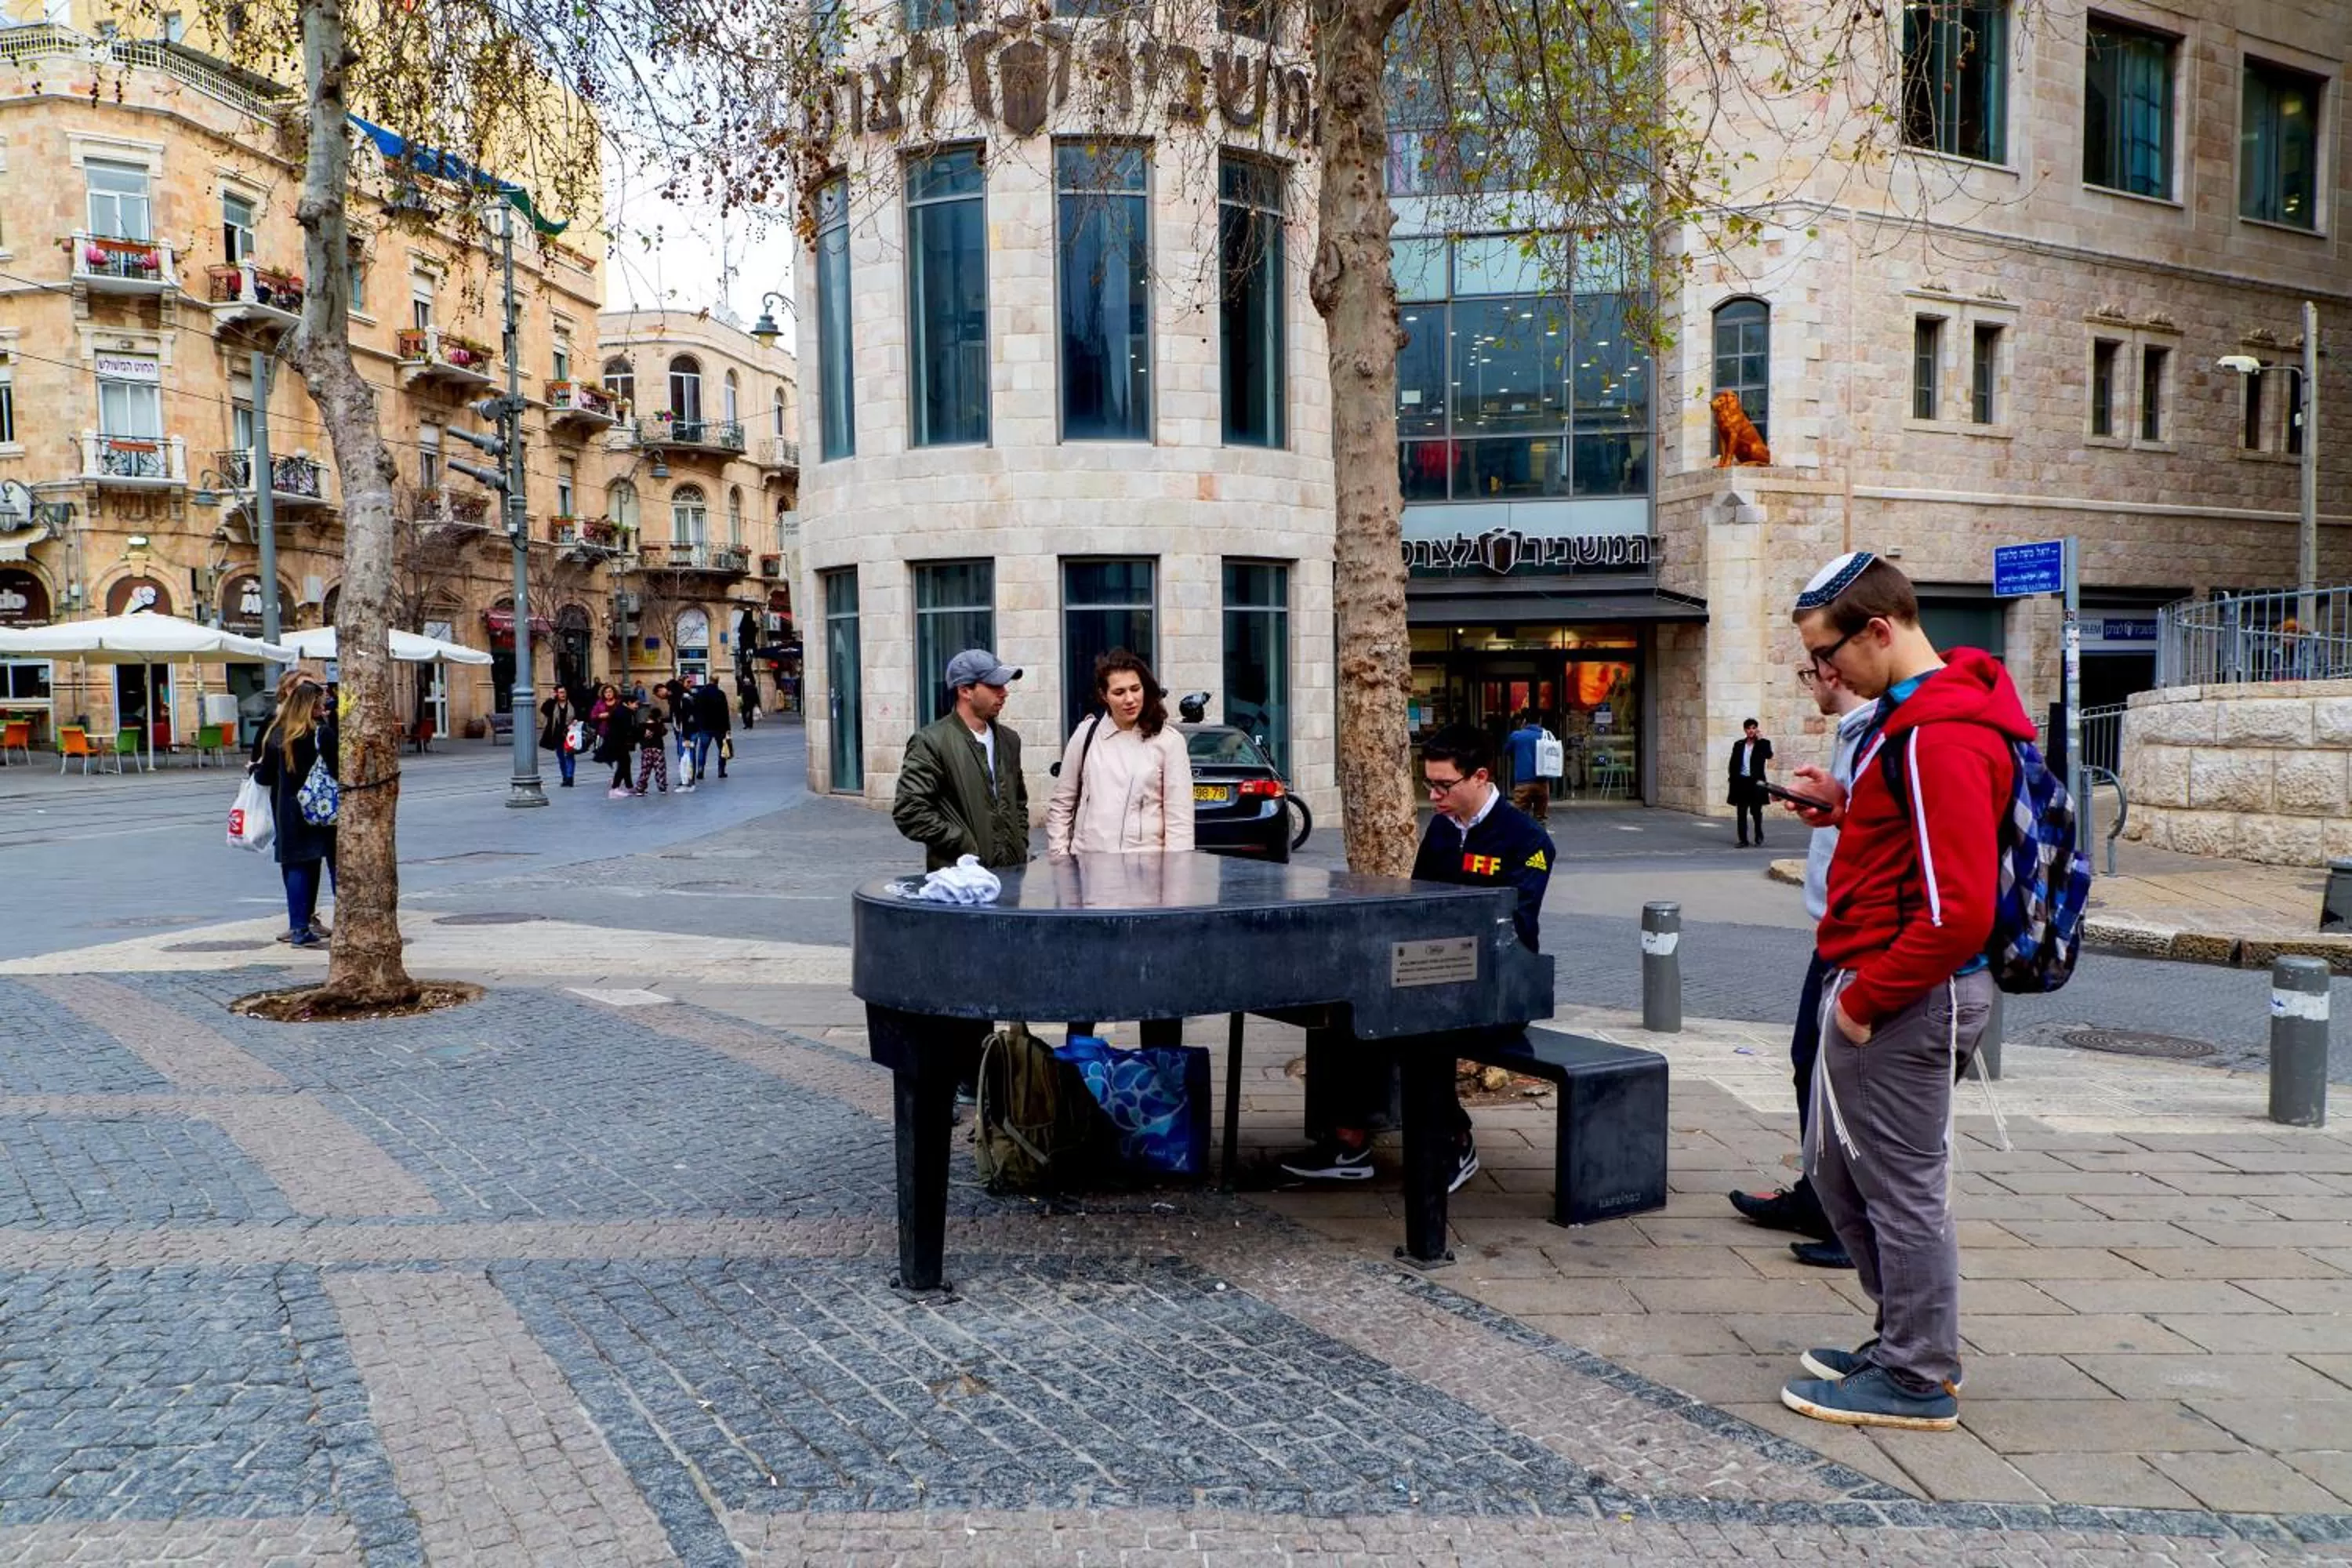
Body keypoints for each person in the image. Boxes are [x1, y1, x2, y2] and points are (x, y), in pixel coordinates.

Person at [1775, 550, 2024, 1433]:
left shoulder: (1940, 732)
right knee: (1841, 1171)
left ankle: (1918, 1372)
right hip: (1886, 980)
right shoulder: (1913, 719)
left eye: (1828, 654)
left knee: (1900, 1187)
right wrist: (1848, 806)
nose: (1825, 673)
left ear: (1879, 629)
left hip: (1905, 992)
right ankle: (1900, 1341)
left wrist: (1864, 1000)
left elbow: (1960, 909)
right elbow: (1919, 842)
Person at [1279, 724, 1553, 1194]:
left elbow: (1515, 928)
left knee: (1419, 1027)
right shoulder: (1443, 831)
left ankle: (1454, 1139)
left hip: (1500, 990)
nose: (1434, 796)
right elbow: (1417, 903)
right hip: (1434, 975)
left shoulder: (1527, 841)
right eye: (1428, 785)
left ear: (1480, 777)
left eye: (1444, 786)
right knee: (1350, 1009)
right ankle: (1349, 1143)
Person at [1730, 659, 1875, 1269]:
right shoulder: (1852, 734)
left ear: (1835, 668)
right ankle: (1820, 1197)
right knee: (1807, 1068)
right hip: (1835, 932)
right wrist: (1833, 807)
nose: (1806, 682)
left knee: (1848, 1084)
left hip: (1865, 940)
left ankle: (1854, 1223)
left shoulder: (1881, 733)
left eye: (1808, 666)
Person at [1047, 649, 1196, 1051]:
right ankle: (1077, 1078)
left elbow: (1181, 824)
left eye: (1136, 689)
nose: (1130, 698)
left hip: (1150, 890)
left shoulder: (1169, 742)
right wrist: (1062, 862)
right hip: (1090, 884)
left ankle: (1161, 1079)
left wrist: (1175, 899)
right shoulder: (1088, 733)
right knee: (1086, 990)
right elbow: (1063, 802)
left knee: (1156, 991)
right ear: (1103, 695)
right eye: (1119, 691)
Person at [891, 648, 1031, 873]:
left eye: (1004, 686)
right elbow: (910, 812)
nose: (1004, 693)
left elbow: (1018, 803)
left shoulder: (1009, 740)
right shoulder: (931, 742)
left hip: (1011, 877)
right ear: (965, 690)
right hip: (961, 882)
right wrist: (964, 844)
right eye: (995, 686)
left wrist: (1019, 843)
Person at [249, 678, 338, 949]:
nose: (324, 710)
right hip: (322, 809)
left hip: (288, 810)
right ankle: (347, 920)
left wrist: (253, 768)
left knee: (296, 865)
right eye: (321, 706)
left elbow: (263, 778)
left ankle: (299, 928)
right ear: (310, 706)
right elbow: (338, 770)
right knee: (334, 863)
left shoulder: (277, 734)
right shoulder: (322, 734)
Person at [1727, 717, 1774, 847]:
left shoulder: (1763, 743)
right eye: (1749, 728)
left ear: (1756, 729)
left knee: (1756, 812)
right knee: (1741, 812)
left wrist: (1760, 740)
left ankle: (1758, 834)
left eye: (1753, 728)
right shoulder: (1739, 744)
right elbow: (1733, 763)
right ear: (1745, 730)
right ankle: (1743, 840)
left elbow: (1769, 755)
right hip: (1741, 782)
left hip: (1756, 784)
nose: (1751, 731)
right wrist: (1732, 778)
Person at [1504, 710, 1554, 822]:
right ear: (1540, 721)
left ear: (1524, 721)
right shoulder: (1547, 736)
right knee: (1540, 818)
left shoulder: (1516, 736)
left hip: (1523, 781)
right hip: (1542, 781)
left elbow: (1507, 751)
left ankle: (1521, 838)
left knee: (1519, 817)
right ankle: (1539, 836)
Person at [693, 676, 733, 779]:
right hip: (720, 727)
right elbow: (725, 713)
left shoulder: (700, 694)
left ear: (709, 681)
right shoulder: (721, 694)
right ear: (717, 682)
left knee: (703, 749)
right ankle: (721, 771)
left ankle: (700, 770)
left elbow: (696, 711)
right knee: (722, 749)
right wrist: (728, 728)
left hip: (705, 726)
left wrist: (698, 724)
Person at [539, 687, 579, 789]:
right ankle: (565, 777)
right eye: (560, 692)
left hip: (570, 734)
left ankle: (570, 778)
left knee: (570, 756)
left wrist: (576, 720)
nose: (563, 694)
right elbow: (544, 710)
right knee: (561, 757)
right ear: (557, 694)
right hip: (557, 735)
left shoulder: (572, 703)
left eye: (564, 692)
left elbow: (581, 713)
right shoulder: (553, 705)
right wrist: (551, 699)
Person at [634, 696, 670, 796]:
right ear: (658, 717)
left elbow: (638, 736)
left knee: (645, 770)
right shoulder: (659, 725)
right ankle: (662, 787)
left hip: (646, 750)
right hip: (658, 749)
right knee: (660, 769)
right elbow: (664, 732)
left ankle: (640, 788)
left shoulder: (642, 726)